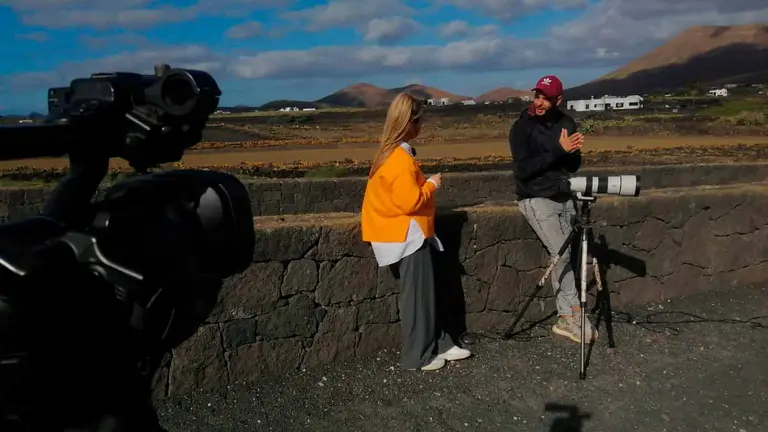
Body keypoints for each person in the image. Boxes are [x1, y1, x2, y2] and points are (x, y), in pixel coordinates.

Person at [361, 92, 471, 371]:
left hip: (402, 234)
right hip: (406, 236)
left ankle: (440, 342)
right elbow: (410, 201)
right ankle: (417, 355)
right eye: (419, 120)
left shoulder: (391, 154)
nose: (422, 126)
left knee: (425, 293)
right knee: (417, 297)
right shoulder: (399, 159)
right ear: (409, 122)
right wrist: (432, 184)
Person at [508, 75, 598, 344]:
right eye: (537, 96)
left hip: (564, 197)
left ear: (558, 99)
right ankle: (574, 316)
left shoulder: (566, 123)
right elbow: (522, 171)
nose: (539, 102)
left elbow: (571, 167)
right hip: (536, 199)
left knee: (567, 256)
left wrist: (571, 152)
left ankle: (563, 318)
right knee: (560, 255)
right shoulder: (521, 128)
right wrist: (559, 150)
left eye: (545, 98)